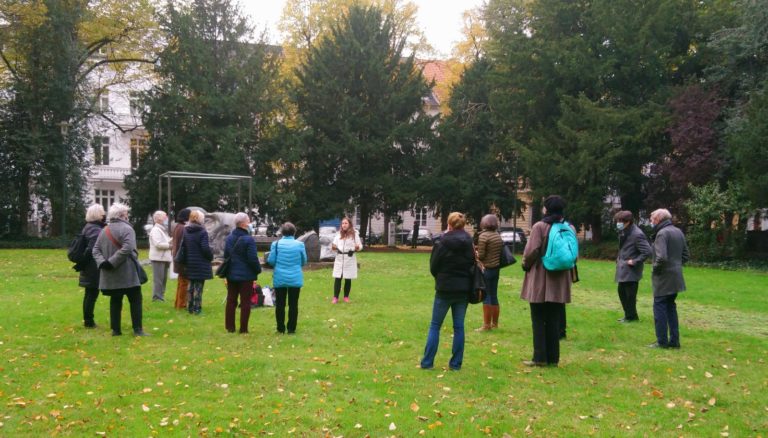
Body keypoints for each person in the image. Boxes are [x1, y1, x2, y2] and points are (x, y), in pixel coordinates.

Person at [520, 195, 575, 367]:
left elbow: (532, 251)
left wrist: (525, 265)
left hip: (541, 278)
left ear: (546, 209)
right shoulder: (568, 227)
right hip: (560, 280)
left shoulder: (539, 227)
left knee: (538, 319)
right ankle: (553, 358)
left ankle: (539, 357)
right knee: (554, 320)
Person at [420, 212, 474, 371]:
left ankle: (427, 362)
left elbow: (433, 266)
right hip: (463, 288)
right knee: (459, 327)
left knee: (435, 325)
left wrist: (441, 277)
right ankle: (456, 364)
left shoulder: (441, 242)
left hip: (444, 288)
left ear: (448, 224)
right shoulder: (469, 242)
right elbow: (472, 263)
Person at [92, 202, 148, 336]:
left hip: (111, 273)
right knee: (135, 300)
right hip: (127, 273)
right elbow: (128, 248)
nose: (128, 216)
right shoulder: (128, 229)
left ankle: (116, 330)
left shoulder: (104, 230)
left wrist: (103, 263)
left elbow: (95, 250)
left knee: (115, 301)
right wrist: (111, 262)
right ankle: (137, 329)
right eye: (127, 214)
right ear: (123, 215)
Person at [649, 208, 689, 349]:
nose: (651, 222)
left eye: (652, 219)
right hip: (676, 276)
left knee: (659, 307)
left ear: (659, 219)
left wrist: (655, 270)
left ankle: (661, 341)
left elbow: (661, 258)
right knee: (671, 307)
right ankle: (674, 340)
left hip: (663, 277)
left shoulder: (661, 234)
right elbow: (685, 256)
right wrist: (676, 266)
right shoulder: (678, 231)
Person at [223, 212, 261, 333]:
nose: (250, 223)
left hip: (231, 273)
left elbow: (226, 255)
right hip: (246, 275)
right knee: (245, 302)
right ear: (244, 224)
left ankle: (230, 327)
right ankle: (243, 328)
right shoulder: (248, 239)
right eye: (249, 221)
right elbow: (252, 258)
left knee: (231, 300)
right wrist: (257, 270)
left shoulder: (229, 238)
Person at [267, 222, 308, 334]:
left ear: (282, 232)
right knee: (293, 304)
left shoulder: (276, 244)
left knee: (280, 304)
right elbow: (304, 261)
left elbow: (271, 261)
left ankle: (280, 328)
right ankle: (291, 329)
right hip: (295, 277)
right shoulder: (300, 245)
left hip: (280, 277)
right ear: (294, 232)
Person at [614, 210, 652, 323]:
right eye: (617, 221)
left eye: (620, 221)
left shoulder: (637, 234)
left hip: (631, 269)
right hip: (623, 267)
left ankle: (631, 317)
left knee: (630, 295)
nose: (618, 223)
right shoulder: (623, 231)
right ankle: (629, 315)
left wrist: (635, 261)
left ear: (628, 222)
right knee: (622, 292)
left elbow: (647, 252)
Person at [77, 203, 106, 328]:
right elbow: (92, 249)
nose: (104, 214)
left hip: (89, 266)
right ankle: (89, 321)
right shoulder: (95, 229)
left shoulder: (89, 227)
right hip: (92, 266)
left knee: (90, 294)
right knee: (91, 294)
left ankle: (88, 320)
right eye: (102, 212)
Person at [475, 214, 504, 331]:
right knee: (494, 295)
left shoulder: (483, 236)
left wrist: (476, 254)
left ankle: (486, 325)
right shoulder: (497, 236)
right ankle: (495, 324)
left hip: (486, 269)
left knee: (486, 296)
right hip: (496, 269)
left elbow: (481, 255)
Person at [182, 210, 213, 315]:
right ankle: (197, 308)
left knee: (190, 286)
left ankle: (189, 307)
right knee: (198, 287)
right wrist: (210, 256)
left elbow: (184, 246)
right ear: (199, 219)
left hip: (190, 261)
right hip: (200, 262)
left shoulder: (186, 230)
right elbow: (205, 248)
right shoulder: (202, 231)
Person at [331, 217, 362, 303]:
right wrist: (334, 247)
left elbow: (360, 246)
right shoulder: (338, 235)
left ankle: (346, 297)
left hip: (349, 258)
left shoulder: (354, 234)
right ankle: (335, 297)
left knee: (348, 278)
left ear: (349, 224)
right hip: (339, 258)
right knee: (338, 278)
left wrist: (357, 248)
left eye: (346, 223)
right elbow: (334, 245)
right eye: (343, 223)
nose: (344, 225)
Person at [148, 210, 173, 302]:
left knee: (163, 279)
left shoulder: (161, 229)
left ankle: (160, 296)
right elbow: (158, 244)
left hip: (163, 258)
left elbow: (165, 240)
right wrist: (170, 246)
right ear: (158, 219)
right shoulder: (155, 230)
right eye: (164, 216)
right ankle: (157, 297)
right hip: (158, 258)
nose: (166, 218)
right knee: (158, 279)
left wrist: (172, 240)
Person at [171, 208, 191, 310]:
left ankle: (177, 303)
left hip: (177, 258)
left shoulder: (177, 227)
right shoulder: (183, 228)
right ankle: (181, 304)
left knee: (181, 282)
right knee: (184, 283)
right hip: (182, 260)